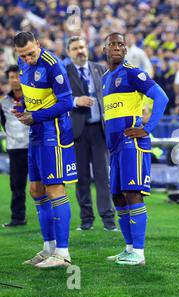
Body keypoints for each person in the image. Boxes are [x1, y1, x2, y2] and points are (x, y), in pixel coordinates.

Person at [102, 33, 168, 266]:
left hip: (133, 144)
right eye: (113, 44)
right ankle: (128, 248)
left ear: (126, 49)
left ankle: (138, 252)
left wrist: (147, 128)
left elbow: (161, 97)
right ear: (104, 49)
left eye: (121, 44)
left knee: (133, 193)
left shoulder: (132, 73)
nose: (117, 47)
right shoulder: (106, 78)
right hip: (115, 148)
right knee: (118, 197)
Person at [13, 31, 77, 268]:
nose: (28, 59)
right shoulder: (22, 63)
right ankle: (48, 247)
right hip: (36, 131)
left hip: (55, 132)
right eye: (23, 55)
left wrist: (35, 115)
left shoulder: (53, 65)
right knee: (36, 190)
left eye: (31, 53)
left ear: (38, 44)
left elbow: (67, 102)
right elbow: (33, 95)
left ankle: (62, 253)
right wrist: (21, 106)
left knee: (54, 189)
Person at [66, 36, 116, 231]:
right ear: (69, 52)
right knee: (82, 177)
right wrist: (75, 101)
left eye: (82, 47)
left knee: (103, 177)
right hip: (77, 131)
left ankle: (108, 220)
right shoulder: (65, 72)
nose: (80, 51)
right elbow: (56, 97)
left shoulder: (100, 69)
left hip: (99, 130)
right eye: (75, 48)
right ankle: (86, 220)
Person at [0, 65, 30, 227]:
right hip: (14, 148)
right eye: (11, 77)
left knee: (43, 185)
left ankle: (51, 217)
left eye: (17, 76)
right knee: (16, 185)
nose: (14, 80)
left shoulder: (32, 98)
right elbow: (4, 124)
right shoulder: (3, 102)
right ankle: (18, 218)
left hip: (33, 147)